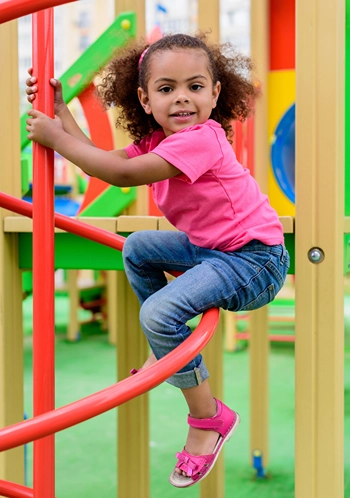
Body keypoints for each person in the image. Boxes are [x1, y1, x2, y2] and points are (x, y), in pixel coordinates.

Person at [26, 32, 290, 488]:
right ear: (145, 100)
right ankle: (165, 342)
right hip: (217, 250)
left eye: (194, 86)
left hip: (254, 261)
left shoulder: (201, 139)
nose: (182, 98)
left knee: (159, 310)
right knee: (139, 248)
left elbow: (120, 175)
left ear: (215, 93)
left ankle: (208, 418)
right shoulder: (156, 142)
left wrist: (52, 135)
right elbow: (101, 161)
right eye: (167, 89)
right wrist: (61, 113)